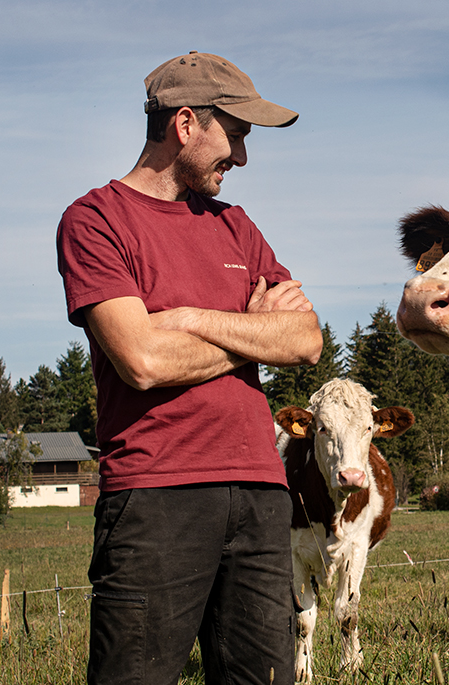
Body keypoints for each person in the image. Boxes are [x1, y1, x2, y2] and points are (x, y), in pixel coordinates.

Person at [56, 51, 322, 685]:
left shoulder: (236, 225)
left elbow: (307, 339)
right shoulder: (95, 221)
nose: (244, 158)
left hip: (261, 493)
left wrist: (187, 318)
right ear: (185, 124)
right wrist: (256, 332)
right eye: (237, 136)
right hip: (156, 496)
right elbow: (143, 361)